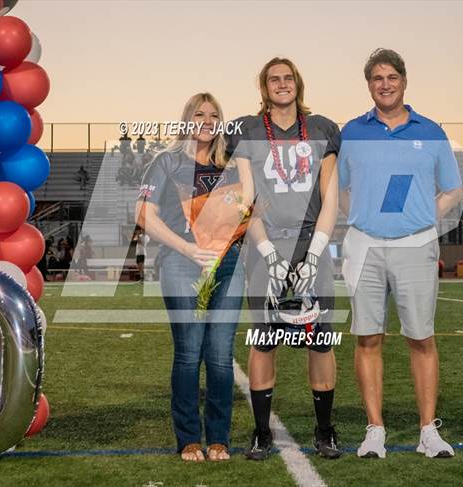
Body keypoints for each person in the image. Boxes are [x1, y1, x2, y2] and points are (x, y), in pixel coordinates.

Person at [338, 48, 463, 459]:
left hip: (416, 245)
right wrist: (359, 218)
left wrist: (425, 220)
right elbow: (338, 190)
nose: (385, 84)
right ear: (369, 84)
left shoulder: (431, 131)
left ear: (404, 81)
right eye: (377, 78)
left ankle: (428, 430)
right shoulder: (353, 132)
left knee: (421, 338)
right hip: (365, 246)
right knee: (367, 338)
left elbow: (452, 190)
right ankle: (375, 430)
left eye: (391, 77)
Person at [227, 57, 341, 460]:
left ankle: (325, 430)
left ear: (298, 83)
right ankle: (261, 432)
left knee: (320, 340)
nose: (281, 84)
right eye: (273, 79)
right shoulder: (250, 130)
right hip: (266, 244)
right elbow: (246, 198)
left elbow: (331, 198)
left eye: (287, 77)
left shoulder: (323, 128)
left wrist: (313, 254)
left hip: (312, 241)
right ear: (264, 87)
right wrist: (268, 252)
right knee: (264, 339)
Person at [135, 93, 247, 462]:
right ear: (186, 119)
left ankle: (219, 439)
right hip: (181, 263)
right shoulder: (166, 162)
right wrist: (187, 250)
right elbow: (143, 215)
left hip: (228, 264)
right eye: (199, 113)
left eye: (214, 114)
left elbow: (249, 208)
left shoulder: (232, 164)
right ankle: (188, 439)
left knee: (219, 356)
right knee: (188, 354)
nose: (207, 120)